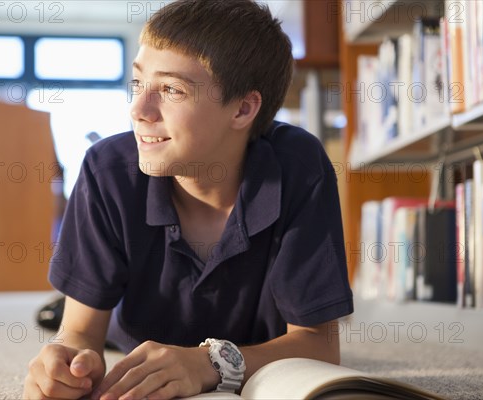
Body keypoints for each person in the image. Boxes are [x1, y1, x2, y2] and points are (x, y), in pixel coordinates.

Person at [22, 0, 353, 399]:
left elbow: (319, 344)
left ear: (243, 108)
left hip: (245, 339)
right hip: (134, 325)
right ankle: (76, 292)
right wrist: (68, 361)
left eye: (171, 90)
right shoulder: (105, 169)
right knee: (85, 318)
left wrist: (208, 362)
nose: (138, 110)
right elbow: (80, 333)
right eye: (138, 84)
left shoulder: (299, 167)